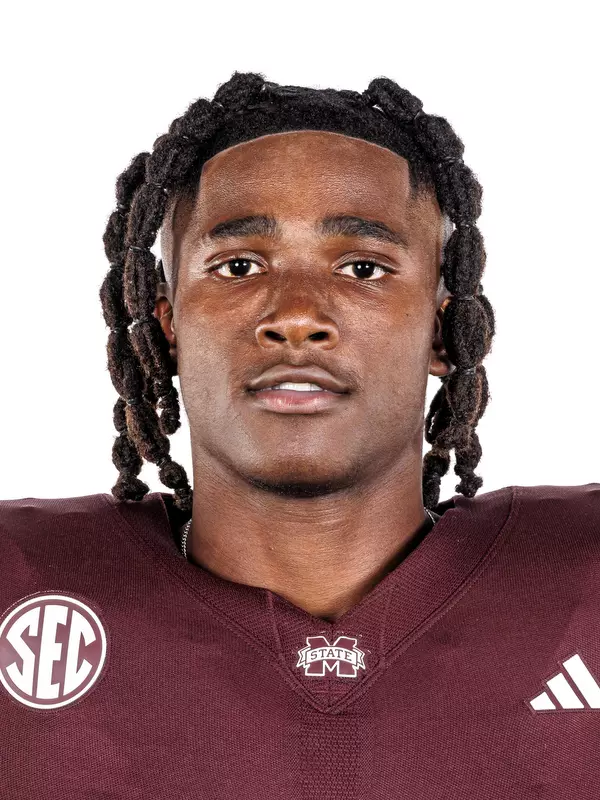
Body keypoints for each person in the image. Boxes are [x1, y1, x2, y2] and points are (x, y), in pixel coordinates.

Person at [1, 71, 598, 800]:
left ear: (445, 328)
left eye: (361, 267)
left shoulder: (582, 575)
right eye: (239, 265)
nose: (295, 315)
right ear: (167, 328)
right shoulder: (21, 584)